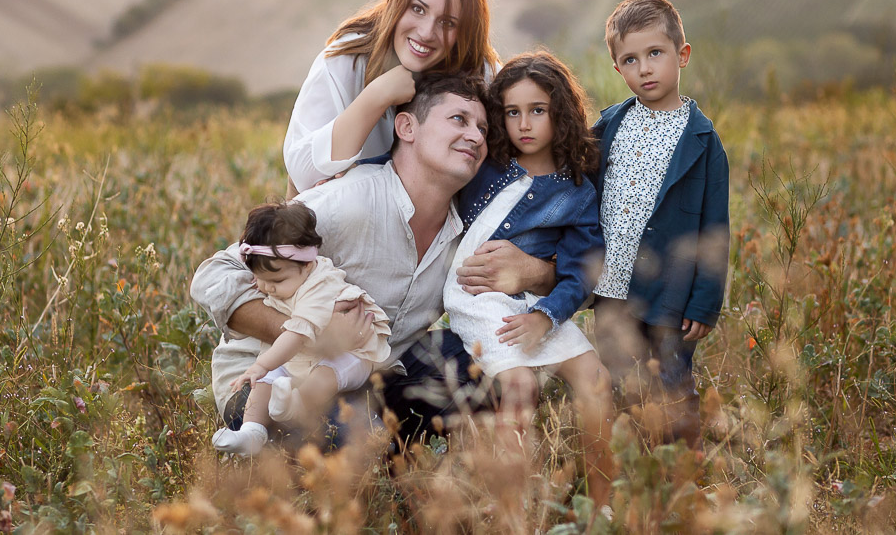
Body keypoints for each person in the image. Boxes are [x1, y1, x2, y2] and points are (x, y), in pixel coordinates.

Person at [192, 73, 556, 445]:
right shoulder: (348, 201)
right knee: (360, 438)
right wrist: (309, 334)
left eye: (482, 128)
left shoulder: (466, 230)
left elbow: (575, 273)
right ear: (407, 126)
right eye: (459, 119)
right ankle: (286, 448)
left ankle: (410, 460)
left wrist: (535, 270)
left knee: (493, 364)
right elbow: (213, 275)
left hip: (371, 375)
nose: (477, 136)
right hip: (272, 381)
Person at [445, 51, 614, 505]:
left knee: (595, 378)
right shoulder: (484, 168)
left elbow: (582, 271)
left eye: (537, 111)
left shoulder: (577, 191)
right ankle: (511, 509)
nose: (524, 124)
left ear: (560, 112)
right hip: (477, 295)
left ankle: (603, 505)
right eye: (512, 112)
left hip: (536, 305)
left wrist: (547, 315)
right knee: (518, 384)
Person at [591, 0, 730, 449]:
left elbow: (714, 228)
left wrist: (704, 302)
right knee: (621, 383)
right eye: (630, 59)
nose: (644, 68)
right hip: (613, 286)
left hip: (671, 293)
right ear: (618, 69)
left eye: (655, 53)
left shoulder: (702, 141)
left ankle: (681, 473)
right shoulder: (609, 125)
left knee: (671, 381)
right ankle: (631, 467)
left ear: (681, 55)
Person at [283, 0, 498, 193]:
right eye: (418, 9)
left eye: (447, 23)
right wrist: (377, 96)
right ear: (397, 5)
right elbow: (302, 176)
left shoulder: (481, 74)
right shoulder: (347, 58)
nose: (426, 33)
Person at [206, 202, 392, 456]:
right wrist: (264, 371)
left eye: (276, 281)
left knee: (322, 377)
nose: (266, 287)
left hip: (351, 353)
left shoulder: (319, 285)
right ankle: (251, 431)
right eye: (259, 278)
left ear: (306, 265)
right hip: (306, 352)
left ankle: (297, 408)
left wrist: (261, 365)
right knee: (264, 381)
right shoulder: (284, 275)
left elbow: (295, 335)